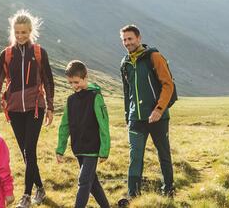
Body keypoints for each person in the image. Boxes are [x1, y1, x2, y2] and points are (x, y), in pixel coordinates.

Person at [0, 10, 55, 207]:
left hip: (36, 107)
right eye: (17, 32)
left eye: (24, 32)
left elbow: (48, 81)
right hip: (15, 109)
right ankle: (40, 189)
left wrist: (50, 107)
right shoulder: (7, 54)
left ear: (30, 31)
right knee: (25, 152)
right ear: (13, 32)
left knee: (30, 150)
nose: (20, 36)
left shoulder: (39, 53)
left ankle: (26, 195)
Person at [117, 24, 177, 206]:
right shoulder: (125, 63)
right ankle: (133, 195)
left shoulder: (154, 57)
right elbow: (127, 94)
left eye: (130, 38)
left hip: (158, 116)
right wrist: (128, 116)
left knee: (163, 154)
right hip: (136, 118)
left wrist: (159, 110)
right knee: (135, 156)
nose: (127, 43)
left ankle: (169, 190)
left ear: (139, 38)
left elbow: (168, 84)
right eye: (124, 40)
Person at [54, 61, 111, 208]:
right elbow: (65, 125)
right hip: (78, 147)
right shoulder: (70, 100)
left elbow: (103, 125)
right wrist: (60, 149)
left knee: (84, 181)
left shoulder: (95, 97)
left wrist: (104, 150)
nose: (74, 86)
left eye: (77, 82)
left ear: (86, 78)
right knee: (92, 183)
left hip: (92, 147)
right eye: (71, 83)